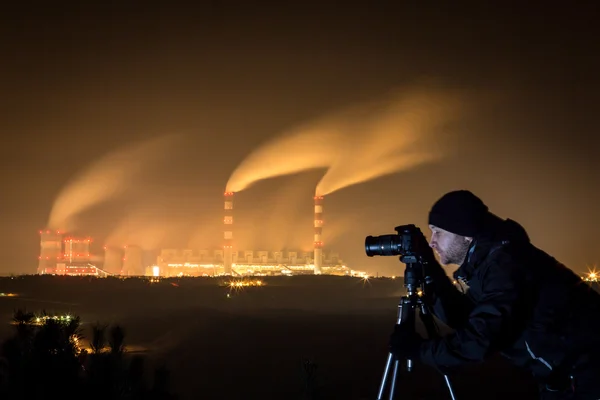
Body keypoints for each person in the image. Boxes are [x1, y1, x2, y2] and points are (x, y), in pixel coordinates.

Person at [389, 190, 600, 399]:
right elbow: (464, 318)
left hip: (588, 377)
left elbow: (480, 339)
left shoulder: (507, 263)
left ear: (465, 233)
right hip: (568, 379)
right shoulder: (491, 261)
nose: (432, 242)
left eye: (438, 232)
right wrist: (430, 269)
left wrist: (419, 351)